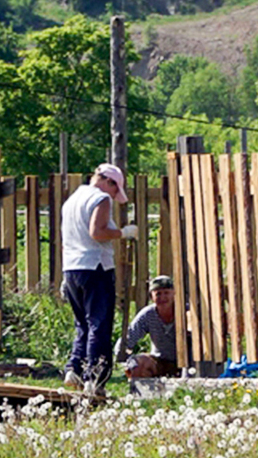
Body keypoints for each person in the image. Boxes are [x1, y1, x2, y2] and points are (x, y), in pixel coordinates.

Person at [59, 163, 136, 392]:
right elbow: (97, 232)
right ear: (108, 182)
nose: (114, 195)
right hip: (95, 266)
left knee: (82, 323)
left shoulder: (72, 199)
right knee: (99, 324)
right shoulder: (100, 199)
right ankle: (95, 378)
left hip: (72, 267)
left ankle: (74, 368)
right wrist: (123, 233)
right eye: (115, 189)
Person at [117, 275, 180, 380]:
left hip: (186, 363)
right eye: (158, 294)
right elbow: (129, 337)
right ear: (151, 297)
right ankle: (141, 392)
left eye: (166, 293)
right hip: (159, 361)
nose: (162, 297)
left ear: (174, 294)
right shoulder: (148, 314)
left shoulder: (184, 312)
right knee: (138, 364)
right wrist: (124, 358)